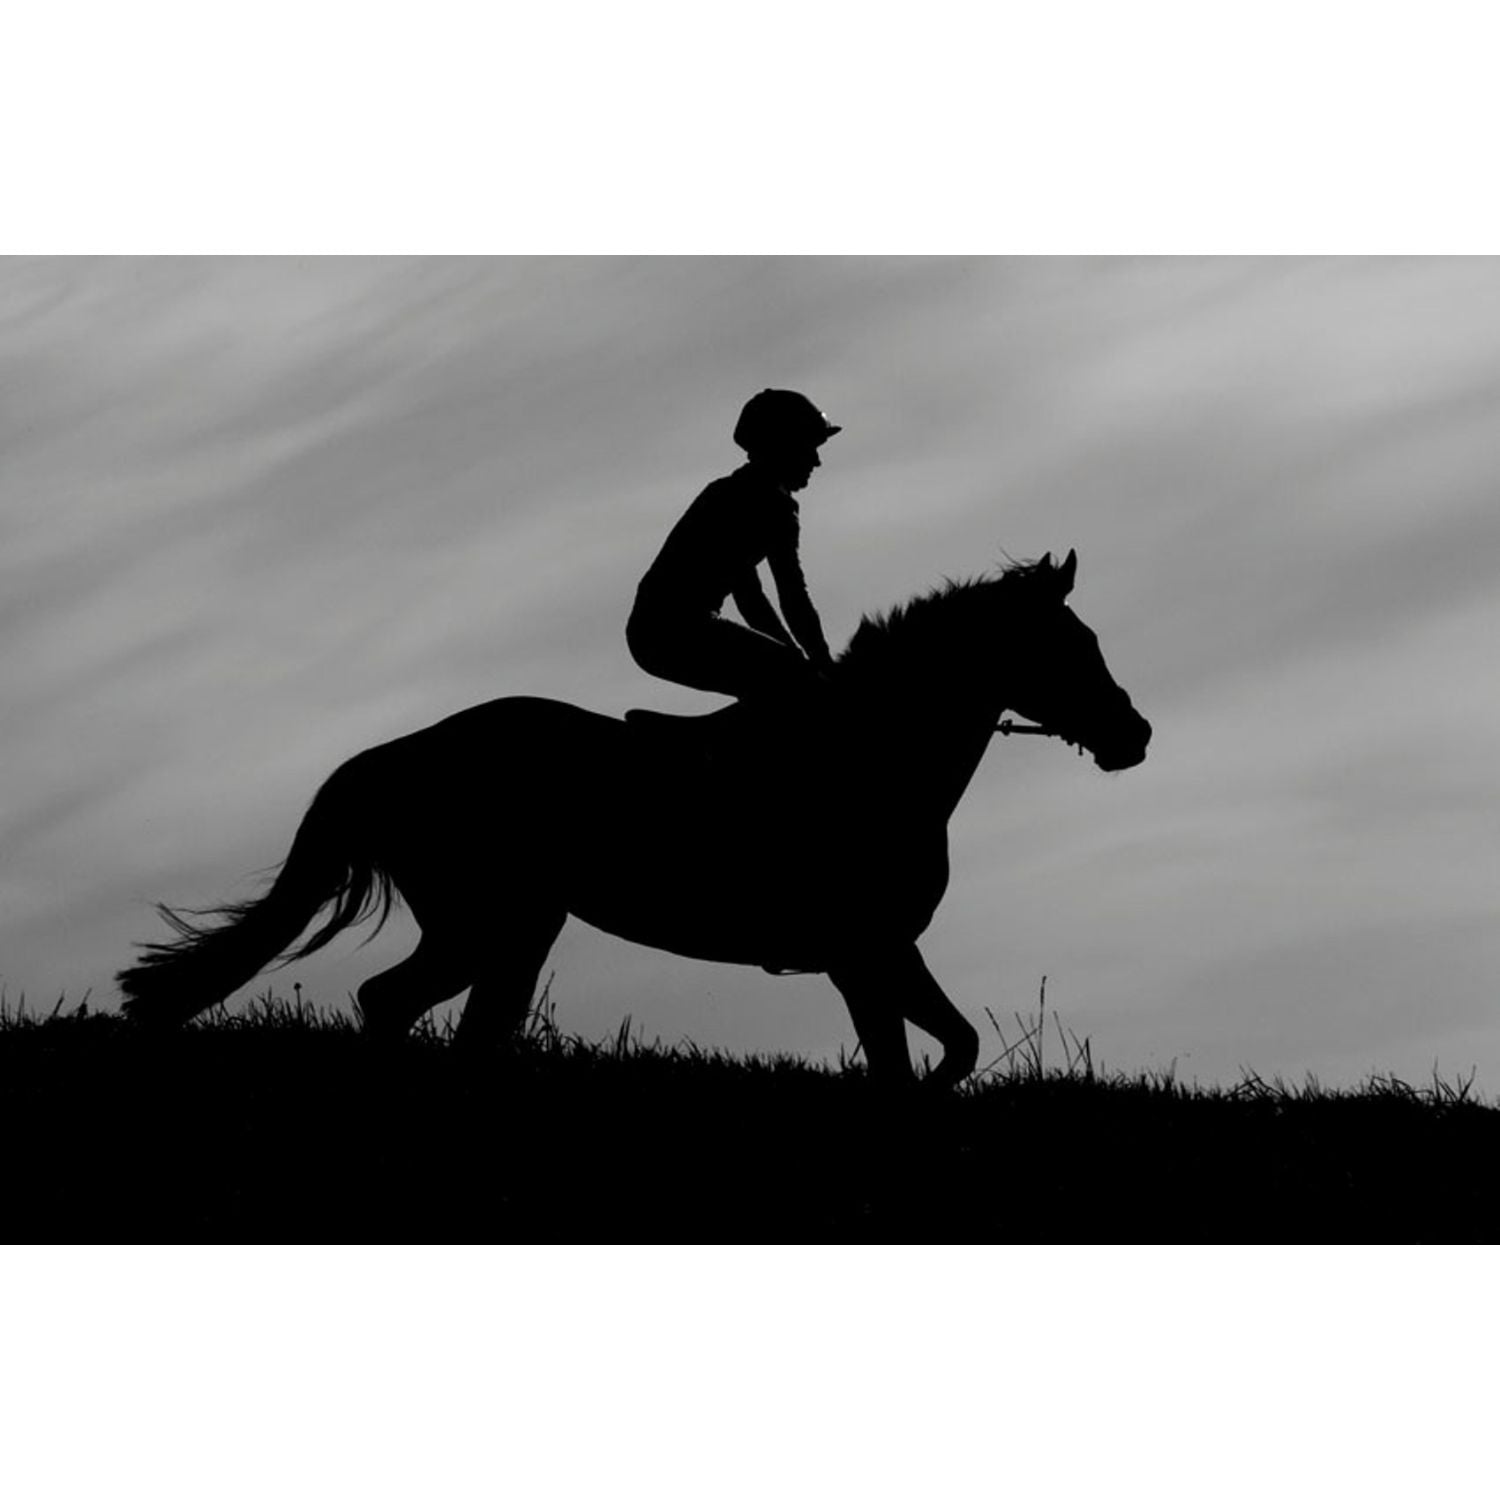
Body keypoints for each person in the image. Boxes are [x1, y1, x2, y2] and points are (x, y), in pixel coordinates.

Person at [627, 389, 840, 717]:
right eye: (809, 446)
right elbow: (784, 598)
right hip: (673, 632)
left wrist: (801, 657)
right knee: (791, 679)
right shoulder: (765, 505)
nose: (816, 460)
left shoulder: (738, 493)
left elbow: (754, 594)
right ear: (782, 446)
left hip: (656, 632)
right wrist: (817, 663)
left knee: (784, 678)